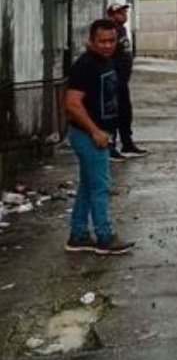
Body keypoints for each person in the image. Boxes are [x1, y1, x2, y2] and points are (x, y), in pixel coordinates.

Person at [63, 18, 135, 255]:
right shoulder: (85, 65)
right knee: (100, 187)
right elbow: (72, 103)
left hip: (100, 133)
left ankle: (79, 234)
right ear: (91, 41)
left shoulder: (106, 61)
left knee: (88, 186)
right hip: (88, 135)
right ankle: (105, 236)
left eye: (111, 40)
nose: (107, 45)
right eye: (102, 41)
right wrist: (95, 131)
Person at [106, 3, 150, 161]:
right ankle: (110, 146)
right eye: (120, 12)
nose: (124, 14)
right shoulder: (109, 31)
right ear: (111, 15)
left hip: (123, 81)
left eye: (124, 11)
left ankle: (127, 142)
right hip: (113, 81)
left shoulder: (122, 30)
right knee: (112, 114)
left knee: (125, 113)